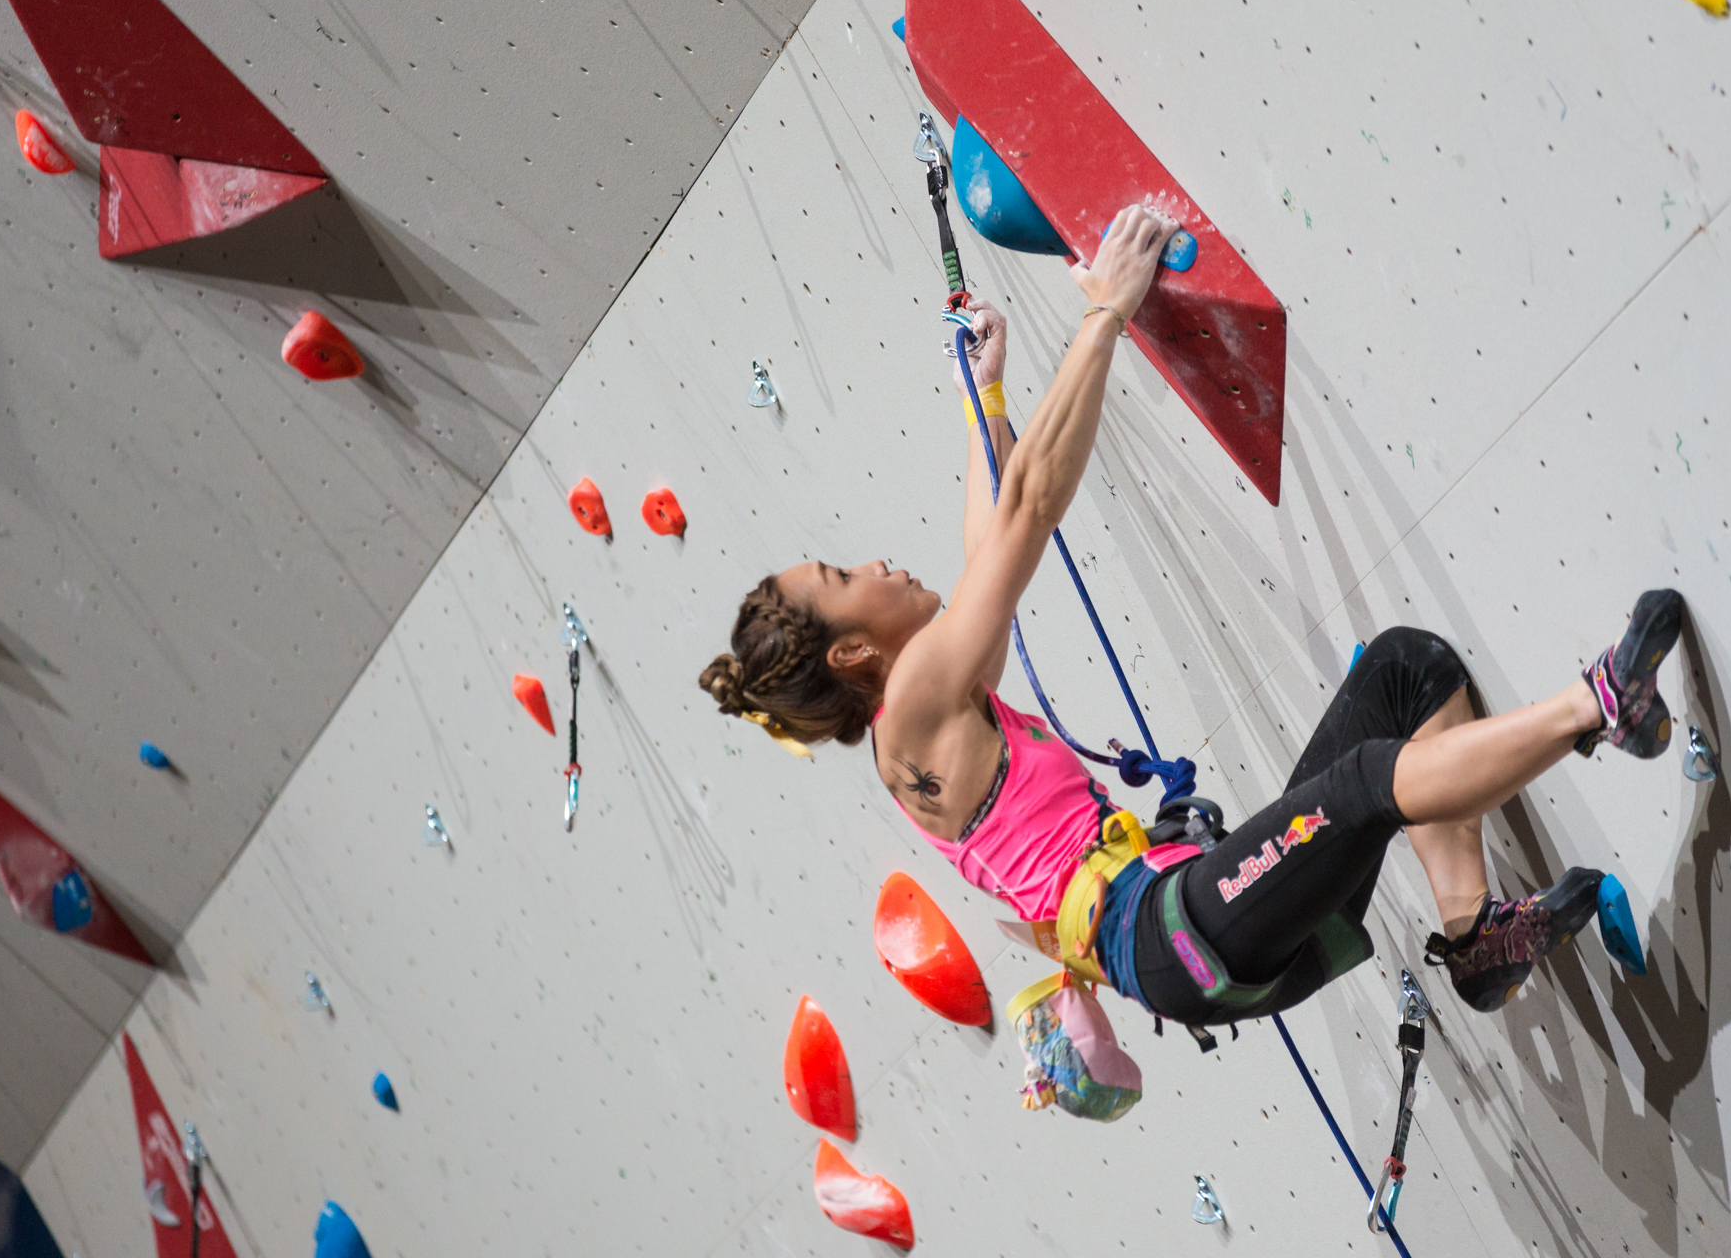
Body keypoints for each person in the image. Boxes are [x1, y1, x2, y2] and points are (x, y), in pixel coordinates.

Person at [699, 205, 1681, 1019]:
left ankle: (1477, 939)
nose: (868, 559)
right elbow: (1029, 513)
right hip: (1176, 932)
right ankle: (1602, 705)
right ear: (852, 652)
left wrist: (986, 399)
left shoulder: (937, 716)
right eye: (839, 573)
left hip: (1193, 912)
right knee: (1367, 782)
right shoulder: (909, 706)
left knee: (1404, 672)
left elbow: (989, 539)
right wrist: (1105, 318)